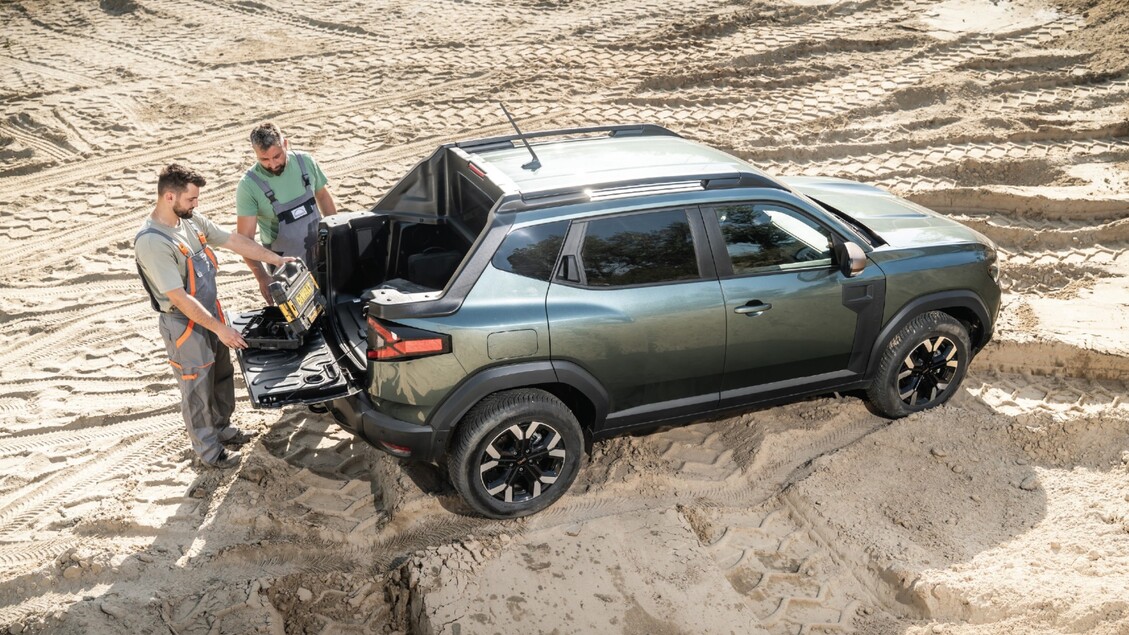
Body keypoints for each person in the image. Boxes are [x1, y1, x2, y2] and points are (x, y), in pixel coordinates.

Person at [135, 163, 294, 469]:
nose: (196, 204)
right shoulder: (153, 241)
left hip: (209, 312)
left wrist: (275, 259)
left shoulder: (190, 221)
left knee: (221, 374)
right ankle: (209, 452)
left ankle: (222, 428)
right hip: (184, 323)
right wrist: (220, 328)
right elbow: (179, 298)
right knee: (196, 389)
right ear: (169, 197)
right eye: (191, 199)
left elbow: (233, 240)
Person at [235, 122, 337, 304]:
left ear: (286, 144)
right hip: (287, 271)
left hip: (323, 256)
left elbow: (322, 196)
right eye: (264, 159)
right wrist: (262, 277)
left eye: (277, 156)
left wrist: (335, 235)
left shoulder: (305, 162)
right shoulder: (249, 186)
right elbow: (245, 240)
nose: (273, 164)